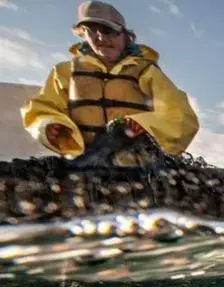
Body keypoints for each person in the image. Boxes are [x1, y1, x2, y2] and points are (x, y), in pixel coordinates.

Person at [20, 1, 199, 165]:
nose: (101, 38)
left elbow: (181, 117)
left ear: (126, 36)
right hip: (81, 163)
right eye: (91, 30)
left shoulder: (146, 71)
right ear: (83, 34)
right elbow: (40, 109)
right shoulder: (65, 72)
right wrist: (48, 125)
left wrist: (143, 124)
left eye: (108, 30)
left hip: (137, 164)